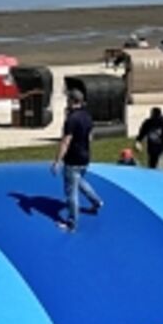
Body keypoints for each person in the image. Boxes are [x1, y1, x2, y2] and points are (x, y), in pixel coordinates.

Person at [51, 99, 103, 230]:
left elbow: (66, 141)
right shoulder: (87, 116)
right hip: (85, 157)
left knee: (71, 192)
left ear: (71, 101)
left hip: (73, 159)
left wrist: (57, 161)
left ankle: (71, 223)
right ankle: (96, 201)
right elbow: (90, 137)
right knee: (79, 181)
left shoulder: (71, 119)